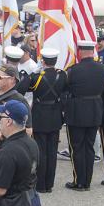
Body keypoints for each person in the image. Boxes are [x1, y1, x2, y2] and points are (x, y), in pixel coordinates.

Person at [64, 40, 104, 191]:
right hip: (95, 111)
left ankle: (79, 181)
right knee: (89, 148)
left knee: (76, 147)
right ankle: (87, 182)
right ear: (93, 50)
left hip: (76, 112)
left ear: (80, 51)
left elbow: (66, 89)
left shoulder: (73, 70)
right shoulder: (103, 69)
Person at [29, 48, 67, 193]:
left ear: (43, 61)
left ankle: (40, 185)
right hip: (55, 116)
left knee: (41, 151)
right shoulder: (62, 75)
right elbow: (65, 90)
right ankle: (49, 184)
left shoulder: (37, 76)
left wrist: (34, 72)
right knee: (52, 152)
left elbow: (26, 87)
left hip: (39, 116)